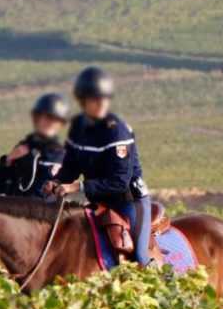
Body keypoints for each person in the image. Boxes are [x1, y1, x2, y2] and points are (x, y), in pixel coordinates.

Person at [43, 67, 153, 266]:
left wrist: (77, 187)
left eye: (105, 98)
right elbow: (71, 166)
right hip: (99, 203)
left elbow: (119, 182)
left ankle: (165, 282)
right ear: (83, 101)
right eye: (96, 98)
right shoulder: (78, 126)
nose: (102, 103)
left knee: (139, 256)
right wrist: (57, 182)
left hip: (129, 201)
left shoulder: (116, 131)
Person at [0, 93, 67, 199]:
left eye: (54, 120)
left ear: (60, 124)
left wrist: (55, 187)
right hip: (13, 210)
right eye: (46, 118)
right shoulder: (22, 148)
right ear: (37, 119)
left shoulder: (62, 155)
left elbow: (65, 189)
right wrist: (7, 161)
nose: (49, 123)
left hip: (44, 213)